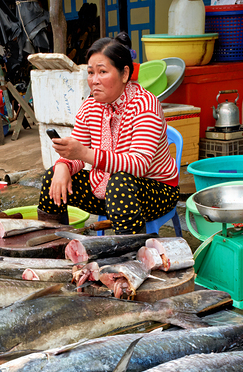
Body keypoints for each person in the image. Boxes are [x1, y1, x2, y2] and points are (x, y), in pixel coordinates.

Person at [38, 32, 180, 235]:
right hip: (105, 188)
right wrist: (63, 166)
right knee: (53, 177)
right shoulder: (89, 106)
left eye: (102, 72)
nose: (94, 80)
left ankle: (131, 256)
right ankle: (54, 245)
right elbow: (77, 150)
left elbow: (138, 164)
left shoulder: (145, 104)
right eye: (90, 73)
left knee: (120, 184)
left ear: (124, 74)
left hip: (155, 190)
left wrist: (84, 153)